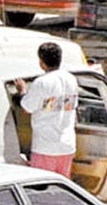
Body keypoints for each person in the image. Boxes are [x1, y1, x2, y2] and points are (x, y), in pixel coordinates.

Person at [14, 42, 78, 178]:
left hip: (45, 147)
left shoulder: (41, 82)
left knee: (42, 189)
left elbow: (27, 108)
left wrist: (22, 91)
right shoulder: (71, 79)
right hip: (67, 146)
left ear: (41, 62)